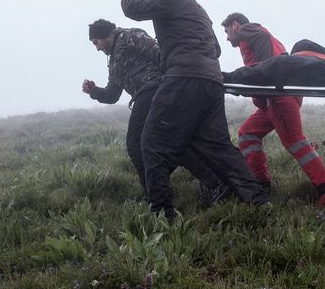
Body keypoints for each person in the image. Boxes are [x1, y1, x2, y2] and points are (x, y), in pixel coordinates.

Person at [121, 0, 270, 220]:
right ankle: (259, 201)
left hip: (184, 78)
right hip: (210, 81)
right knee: (219, 147)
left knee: (151, 142)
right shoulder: (195, 8)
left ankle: (161, 214)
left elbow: (132, 9)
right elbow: (217, 49)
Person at [82, 19, 230, 204]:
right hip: (144, 95)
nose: (96, 47)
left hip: (156, 90)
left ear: (106, 34)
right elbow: (112, 95)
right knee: (172, 144)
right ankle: (215, 184)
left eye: (96, 42)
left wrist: (179, 83)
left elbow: (162, 54)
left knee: (136, 143)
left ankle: (155, 195)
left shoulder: (130, 36)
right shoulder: (113, 62)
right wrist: (95, 91)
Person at [221, 13, 325, 207]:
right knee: (247, 133)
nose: (227, 38)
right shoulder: (260, 38)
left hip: (279, 98)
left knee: (294, 141)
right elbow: (261, 69)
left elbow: (264, 68)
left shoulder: (248, 31)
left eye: (227, 31)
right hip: (272, 99)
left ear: (236, 25)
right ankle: (260, 183)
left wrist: (230, 77)